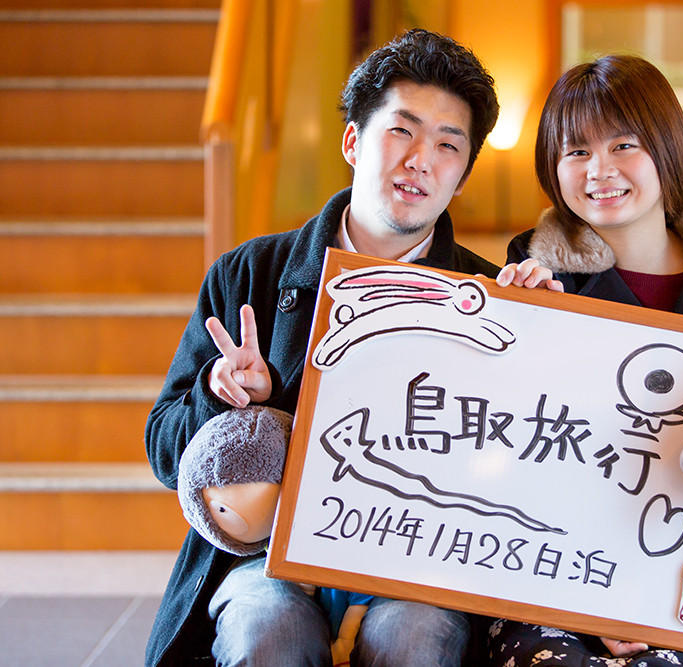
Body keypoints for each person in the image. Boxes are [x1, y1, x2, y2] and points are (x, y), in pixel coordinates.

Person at [145, 28, 552, 667]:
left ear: (462, 177)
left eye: (448, 145)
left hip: (421, 565)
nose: (420, 159)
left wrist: (541, 336)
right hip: (268, 560)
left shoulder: (489, 298)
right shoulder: (250, 274)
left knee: (413, 637)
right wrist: (223, 398)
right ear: (353, 142)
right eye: (402, 131)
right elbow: (165, 453)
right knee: (265, 630)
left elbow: (531, 468)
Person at [490, 54, 683, 667]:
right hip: (550, 571)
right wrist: (511, 328)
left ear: (667, 148)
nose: (599, 170)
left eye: (623, 145)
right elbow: (501, 445)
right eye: (576, 151)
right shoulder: (533, 276)